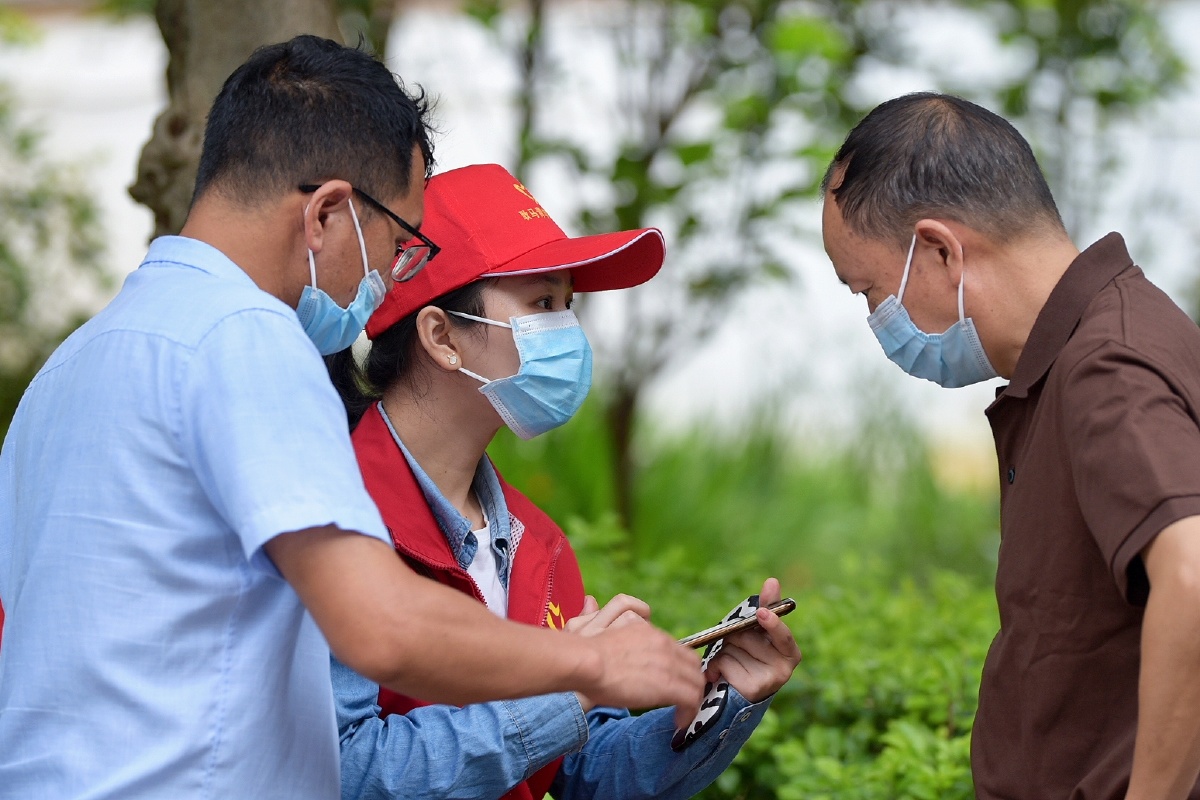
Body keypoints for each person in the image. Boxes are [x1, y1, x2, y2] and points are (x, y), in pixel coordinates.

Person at [0, 36, 704, 799]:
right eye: (400, 243)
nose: (388, 276)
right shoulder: (249, 339)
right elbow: (381, 626)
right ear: (329, 213)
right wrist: (589, 667)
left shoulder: (71, 364)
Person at [324, 163, 802, 800]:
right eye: (542, 304)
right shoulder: (328, 517)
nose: (568, 333)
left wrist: (719, 700)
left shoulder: (536, 546)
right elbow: (345, 770)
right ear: (442, 336)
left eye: (568, 306)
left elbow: (581, 772)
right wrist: (568, 686)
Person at [821, 91, 1200, 800]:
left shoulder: (1104, 367)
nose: (876, 319)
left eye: (868, 290)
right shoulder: (1102, 341)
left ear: (938, 250)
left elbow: (1193, 577)